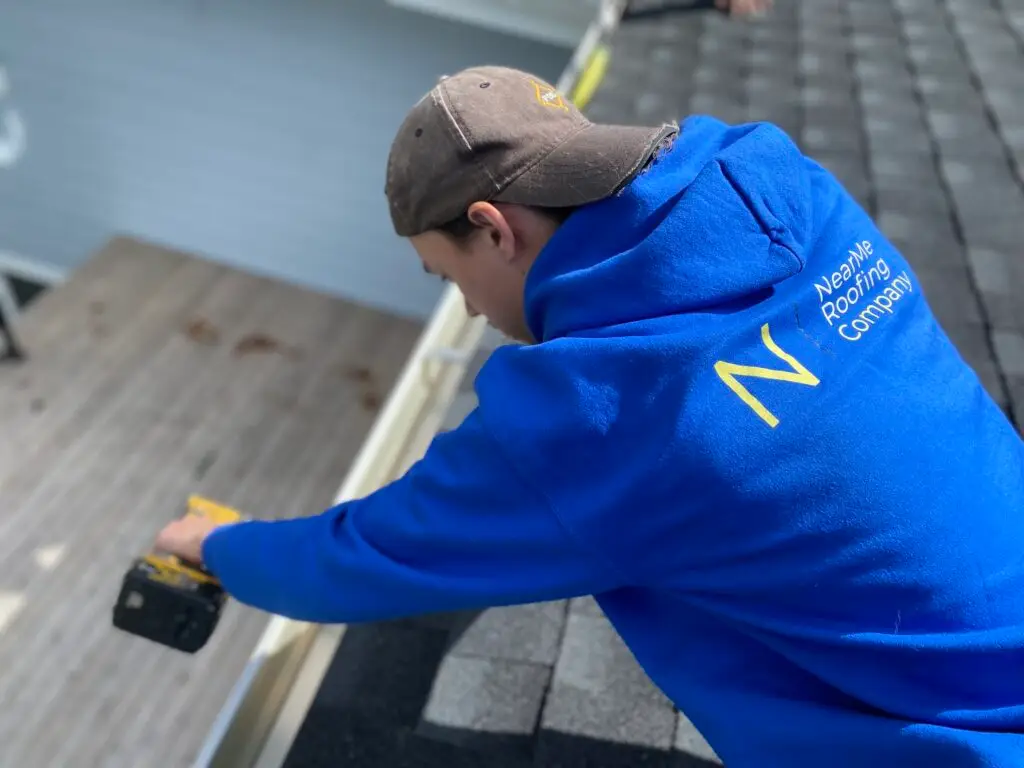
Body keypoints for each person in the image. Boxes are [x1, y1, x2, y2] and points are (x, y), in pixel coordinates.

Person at [156, 61, 1024, 767]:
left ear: (496, 230)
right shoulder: (785, 184)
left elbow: (358, 558)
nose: (466, 312)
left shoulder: (592, 418)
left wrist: (213, 547)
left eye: (448, 278)